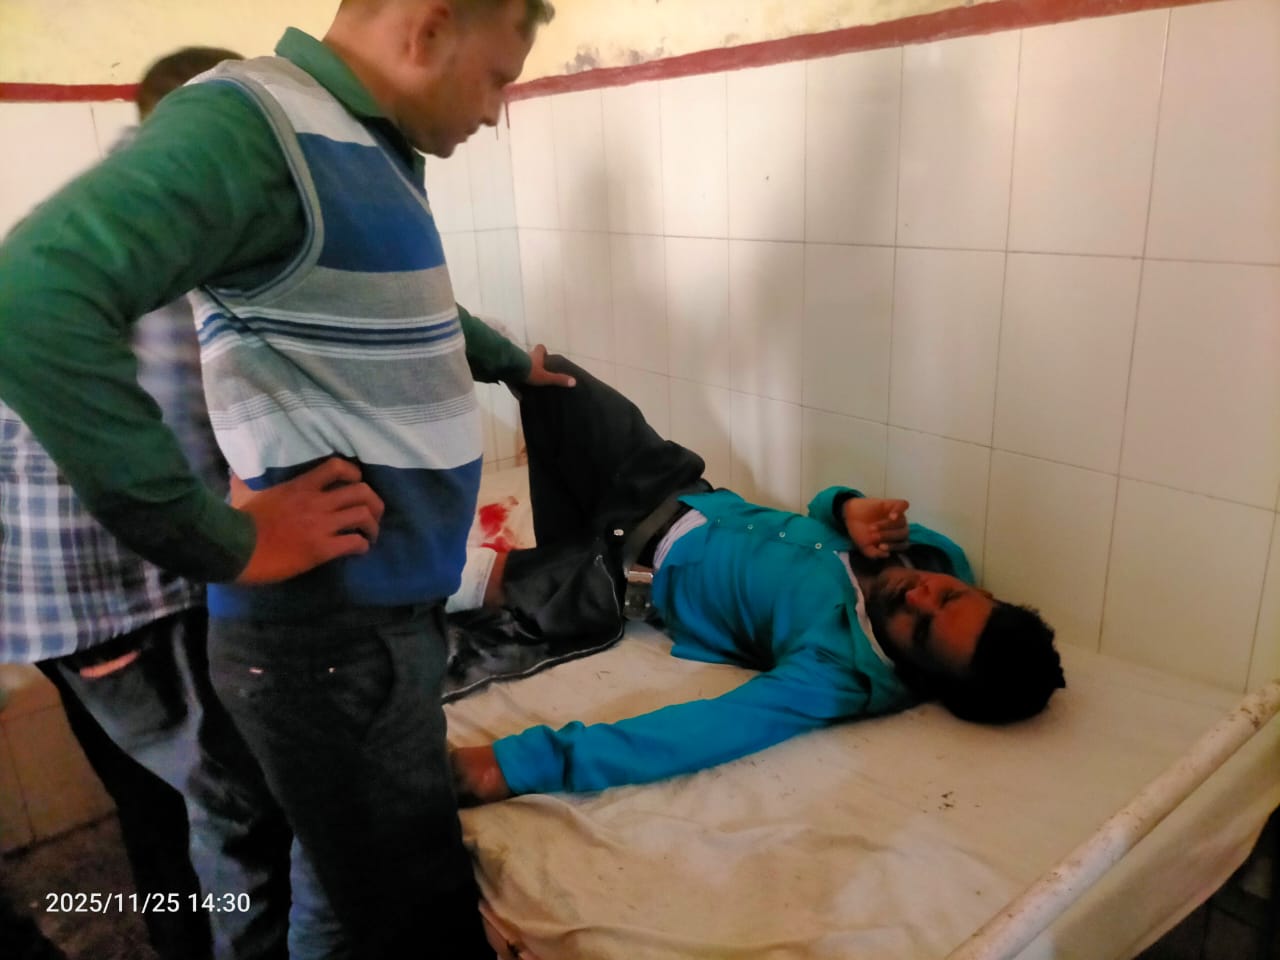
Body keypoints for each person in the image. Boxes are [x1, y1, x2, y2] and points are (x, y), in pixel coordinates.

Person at [0, 2, 567, 957]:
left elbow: (412, 308)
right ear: (427, 29)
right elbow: (31, 301)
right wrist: (222, 541)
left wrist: (511, 364)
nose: (495, 110)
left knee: (341, 891)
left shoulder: (365, 146)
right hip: (329, 638)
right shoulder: (256, 120)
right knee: (406, 907)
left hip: (377, 628)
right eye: (497, 79)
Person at [1, 46, 303, 960]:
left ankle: (179, 938)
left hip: (57, 597)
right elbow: (191, 435)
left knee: (155, 799)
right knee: (230, 806)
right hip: (111, 597)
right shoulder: (178, 222)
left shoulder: (100, 208)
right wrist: (264, 546)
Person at [450, 356, 1066, 803]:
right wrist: (848, 505)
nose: (919, 596)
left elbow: (703, 731)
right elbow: (824, 508)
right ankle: (557, 532)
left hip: (625, 572)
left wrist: (514, 765)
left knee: (471, 579)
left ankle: (530, 562)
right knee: (552, 378)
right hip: (673, 487)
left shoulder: (836, 674)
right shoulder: (937, 557)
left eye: (921, 629)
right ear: (979, 592)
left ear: (922, 676)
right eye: (948, 597)